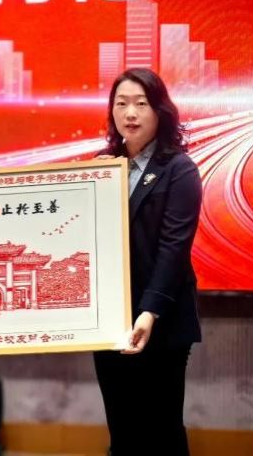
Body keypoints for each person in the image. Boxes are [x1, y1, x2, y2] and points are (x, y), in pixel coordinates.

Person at [94, 68, 202, 456]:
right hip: (111, 320)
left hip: (162, 321)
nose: (130, 113)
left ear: (159, 110)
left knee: (161, 431)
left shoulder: (179, 168)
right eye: (121, 103)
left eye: (141, 103)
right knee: (122, 430)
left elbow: (174, 248)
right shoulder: (102, 166)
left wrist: (149, 312)